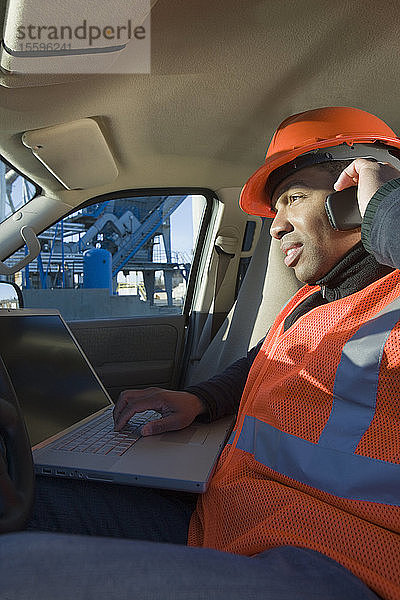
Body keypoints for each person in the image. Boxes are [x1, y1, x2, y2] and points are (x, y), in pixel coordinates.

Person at [3, 107, 400, 600]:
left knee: (16, 574)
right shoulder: (316, 302)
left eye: (294, 198)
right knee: (23, 501)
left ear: (355, 194)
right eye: (275, 210)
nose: (276, 229)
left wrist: (388, 204)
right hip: (230, 517)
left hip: (344, 560)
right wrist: (199, 399)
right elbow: (265, 361)